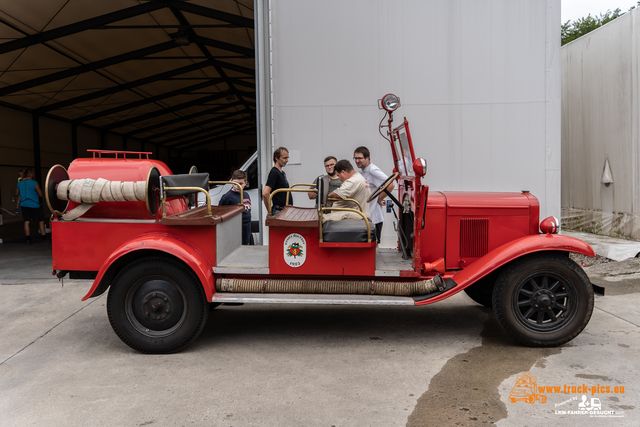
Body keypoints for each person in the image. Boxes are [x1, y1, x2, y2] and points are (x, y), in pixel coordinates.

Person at [353, 146, 395, 245]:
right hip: (365, 216)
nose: (357, 161)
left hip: (374, 217)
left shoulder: (373, 170)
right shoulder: (361, 172)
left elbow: (390, 184)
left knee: (373, 245)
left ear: (367, 158)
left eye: (360, 158)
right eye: (355, 158)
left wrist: (380, 198)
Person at [219, 170, 252, 245]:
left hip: (246, 230)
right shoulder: (227, 197)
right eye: (236, 183)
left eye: (241, 183)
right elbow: (220, 215)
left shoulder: (246, 194)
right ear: (231, 181)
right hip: (234, 231)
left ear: (245, 183)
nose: (238, 186)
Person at [15, 169, 46, 244]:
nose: (34, 175)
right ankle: (44, 237)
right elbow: (41, 194)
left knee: (26, 221)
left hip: (24, 205)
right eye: (33, 173)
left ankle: (28, 239)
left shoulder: (19, 183)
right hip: (34, 205)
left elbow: (16, 193)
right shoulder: (35, 183)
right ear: (30, 174)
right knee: (41, 220)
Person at [262, 147, 292, 216]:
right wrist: (270, 211)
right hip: (279, 211)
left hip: (285, 210)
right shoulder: (274, 173)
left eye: (287, 158)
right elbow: (265, 193)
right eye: (284, 158)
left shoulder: (282, 173)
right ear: (276, 158)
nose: (287, 160)